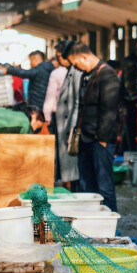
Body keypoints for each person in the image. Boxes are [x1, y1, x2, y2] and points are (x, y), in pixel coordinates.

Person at [69, 43, 120, 212]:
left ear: (84, 57)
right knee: (86, 185)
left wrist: (103, 139)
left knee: (104, 185)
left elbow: (109, 111)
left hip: (99, 141)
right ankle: (91, 221)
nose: (76, 68)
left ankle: (110, 224)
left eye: (76, 64)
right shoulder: (89, 75)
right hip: (86, 138)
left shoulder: (107, 75)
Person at [55, 42, 82, 188]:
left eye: (60, 56)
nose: (59, 59)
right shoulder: (70, 70)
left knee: (73, 169)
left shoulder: (76, 72)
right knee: (69, 169)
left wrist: (72, 129)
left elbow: (77, 102)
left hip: (69, 127)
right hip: (66, 126)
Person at [43, 54, 68, 131]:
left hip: (57, 113)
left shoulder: (56, 73)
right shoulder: (79, 71)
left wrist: (47, 116)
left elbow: (50, 96)